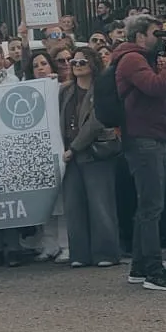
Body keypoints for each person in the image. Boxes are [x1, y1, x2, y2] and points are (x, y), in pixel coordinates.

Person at [112, 14, 166, 290]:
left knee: (148, 205)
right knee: (151, 206)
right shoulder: (132, 59)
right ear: (140, 35)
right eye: (157, 33)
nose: (161, 39)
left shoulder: (142, 58)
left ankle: (140, 267)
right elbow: (156, 87)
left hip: (151, 136)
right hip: (143, 139)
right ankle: (154, 271)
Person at [59, 45, 122, 268]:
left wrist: (74, 148)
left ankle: (106, 252)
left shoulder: (101, 89)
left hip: (95, 152)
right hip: (69, 154)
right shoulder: (64, 91)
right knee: (74, 205)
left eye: (82, 62)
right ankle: (79, 253)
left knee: (100, 203)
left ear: (92, 64)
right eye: (73, 63)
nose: (76, 66)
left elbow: (96, 122)